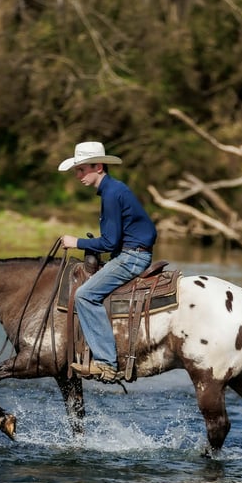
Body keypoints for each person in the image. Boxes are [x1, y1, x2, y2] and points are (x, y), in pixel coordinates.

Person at [59, 141, 157, 382]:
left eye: (82, 169)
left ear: (99, 166)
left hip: (132, 256)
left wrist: (77, 242)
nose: (78, 175)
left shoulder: (113, 193)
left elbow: (110, 243)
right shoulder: (113, 190)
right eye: (77, 170)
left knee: (84, 295)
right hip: (132, 252)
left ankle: (106, 364)